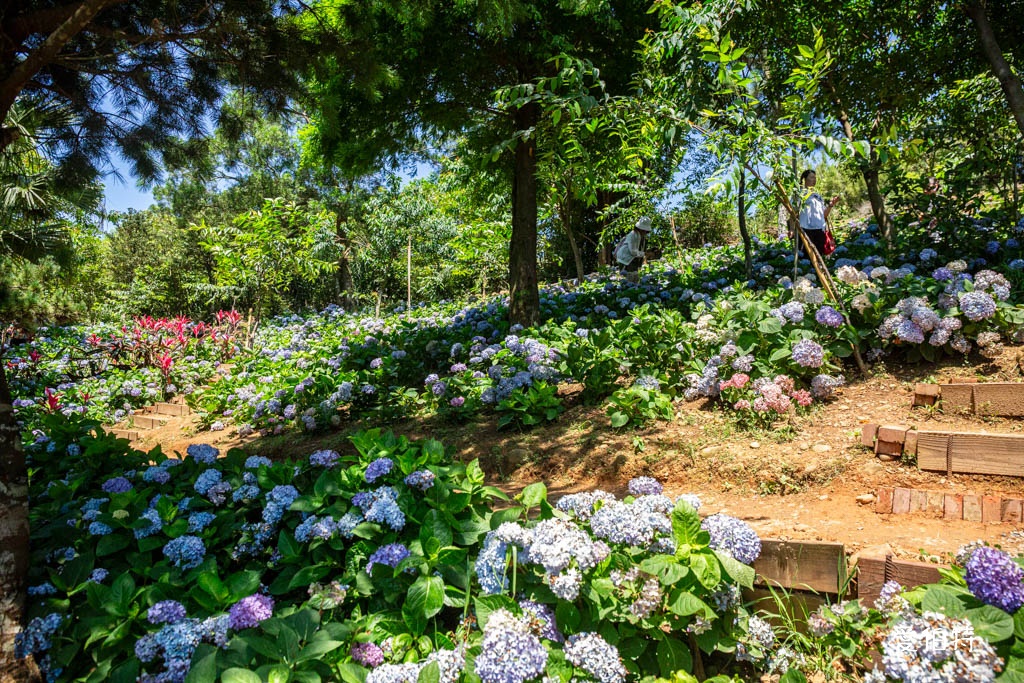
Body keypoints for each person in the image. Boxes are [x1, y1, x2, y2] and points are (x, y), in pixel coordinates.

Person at [797, 170, 839, 256]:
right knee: (806, 257)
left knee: (819, 256)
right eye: (812, 177)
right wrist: (791, 229)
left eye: (815, 178)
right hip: (806, 230)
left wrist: (831, 205)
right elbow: (793, 212)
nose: (814, 180)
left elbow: (823, 215)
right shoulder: (799, 194)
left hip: (820, 230)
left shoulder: (818, 196)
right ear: (805, 179)